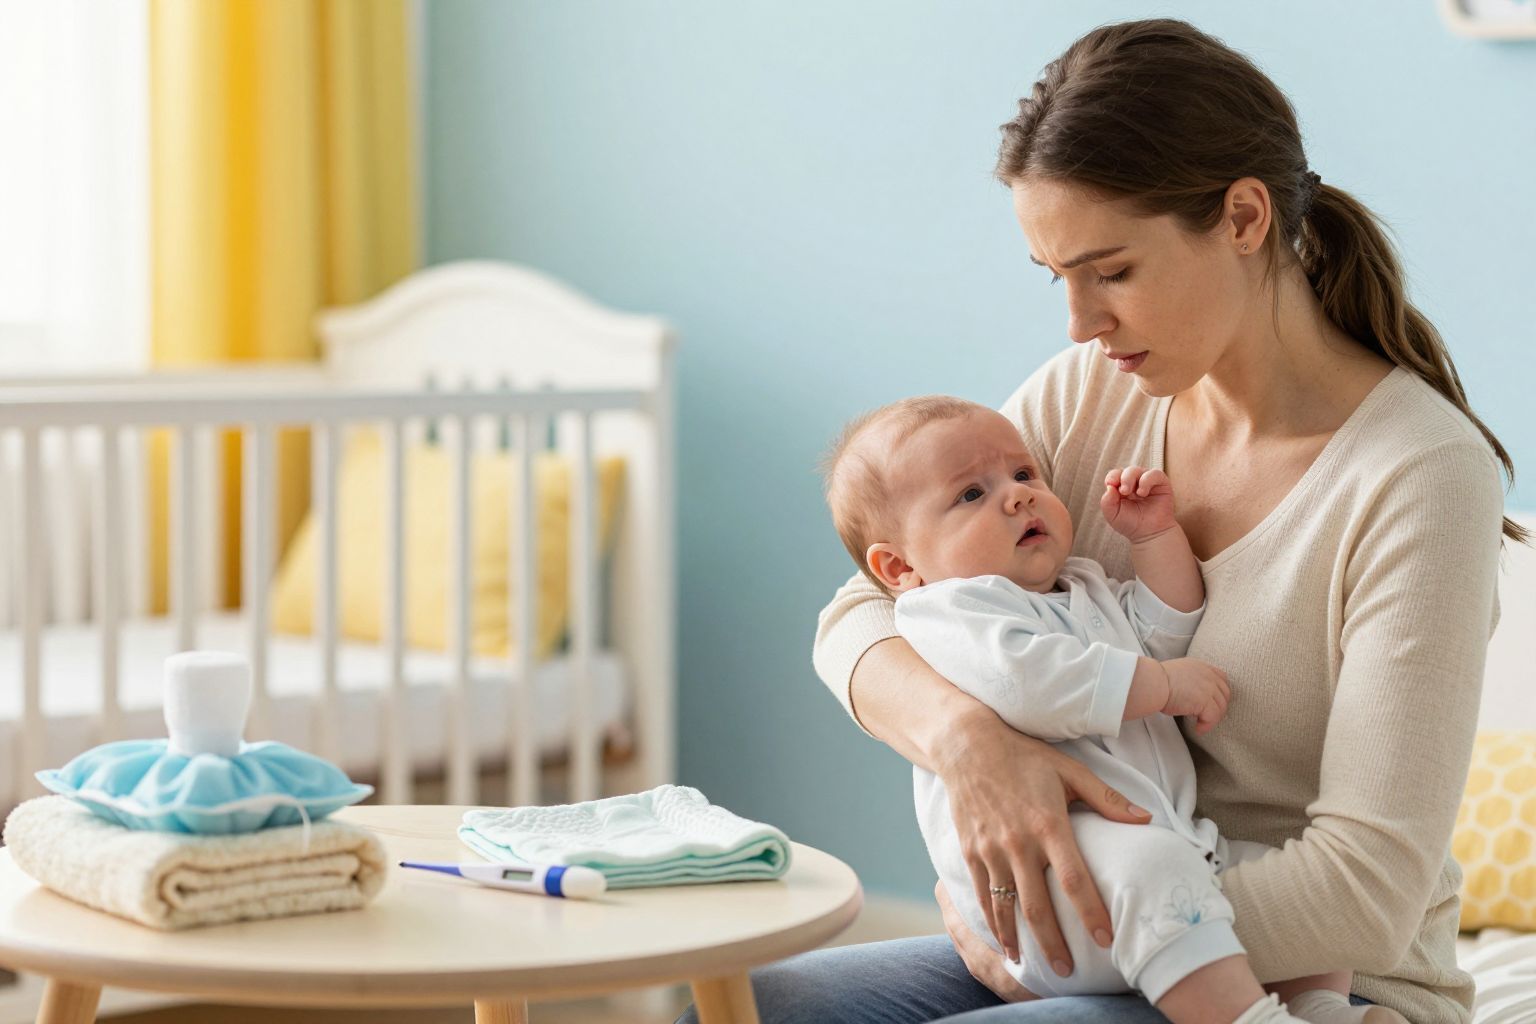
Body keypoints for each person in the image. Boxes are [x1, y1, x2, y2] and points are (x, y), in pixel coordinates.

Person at [674, 15, 1519, 1024]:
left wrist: (1059, 934)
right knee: (750, 1004)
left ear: (1244, 217)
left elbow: (1368, 893)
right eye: (1056, 277)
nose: (1079, 322)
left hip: (1313, 973)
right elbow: (863, 609)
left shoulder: (1419, 476)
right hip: (1095, 927)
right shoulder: (1093, 394)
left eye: (1111, 271)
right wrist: (965, 742)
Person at [817, 393, 1402, 1024]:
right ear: (900, 567)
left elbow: (1161, 632)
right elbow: (1032, 685)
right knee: (1157, 873)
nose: (1016, 497)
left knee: (1294, 888)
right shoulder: (950, 611)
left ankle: (1318, 1007)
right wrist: (1165, 686)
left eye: (1023, 475)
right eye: (970, 496)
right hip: (1060, 883)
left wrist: (1154, 539)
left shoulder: (1080, 585)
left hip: (1168, 848)